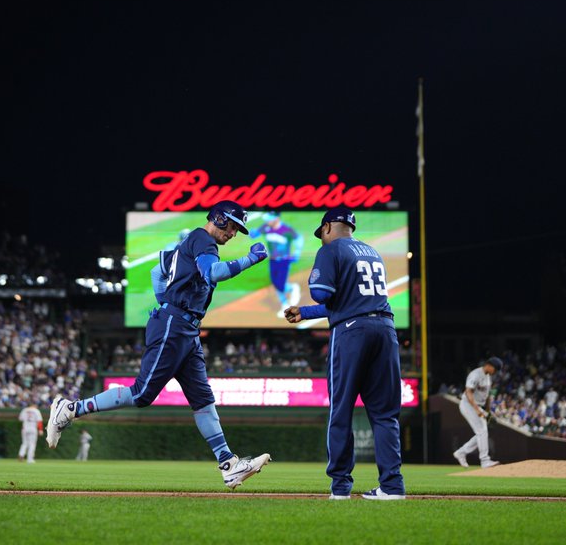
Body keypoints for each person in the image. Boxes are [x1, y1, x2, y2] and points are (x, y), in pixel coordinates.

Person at [45, 200, 273, 489]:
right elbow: (213, 273)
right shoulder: (203, 240)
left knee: (203, 401)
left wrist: (165, 301)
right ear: (218, 218)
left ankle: (228, 464)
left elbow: (157, 271)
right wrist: (250, 260)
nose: (234, 234)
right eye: (233, 226)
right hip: (175, 325)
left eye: (238, 230)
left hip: (185, 328)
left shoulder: (190, 242)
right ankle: (70, 408)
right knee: (141, 394)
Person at [283, 207, 406, 501]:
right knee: (386, 415)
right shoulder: (372, 252)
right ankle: (392, 486)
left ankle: (340, 488)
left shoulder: (331, 249)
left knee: (341, 411)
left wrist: (312, 293)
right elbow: (350, 298)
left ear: (327, 227)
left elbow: (322, 293)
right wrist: (306, 313)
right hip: (385, 330)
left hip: (352, 332)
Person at [248, 211, 304, 316]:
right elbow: (254, 235)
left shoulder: (286, 229)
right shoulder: (266, 227)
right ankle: (285, 302)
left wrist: (297, 253)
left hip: (284, 260)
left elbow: (299, 239)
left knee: (280, 284)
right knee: (275, 283)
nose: (268, 221)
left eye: (269, 219)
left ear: (276, 218)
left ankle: (291, 292)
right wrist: (249, 231)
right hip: (272, 260)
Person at [452, 357, 503, 469]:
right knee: (482, 432)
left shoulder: (488, 377)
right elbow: (468, 392)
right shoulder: (475, 374)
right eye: (495, 368)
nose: (496, 371)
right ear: (489, 365)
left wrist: (488, 412)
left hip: (478, 406)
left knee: (482, 433)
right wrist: (476, 409)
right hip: (468, 405)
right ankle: (484, 461)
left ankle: (461, 452)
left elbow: (487, 396)